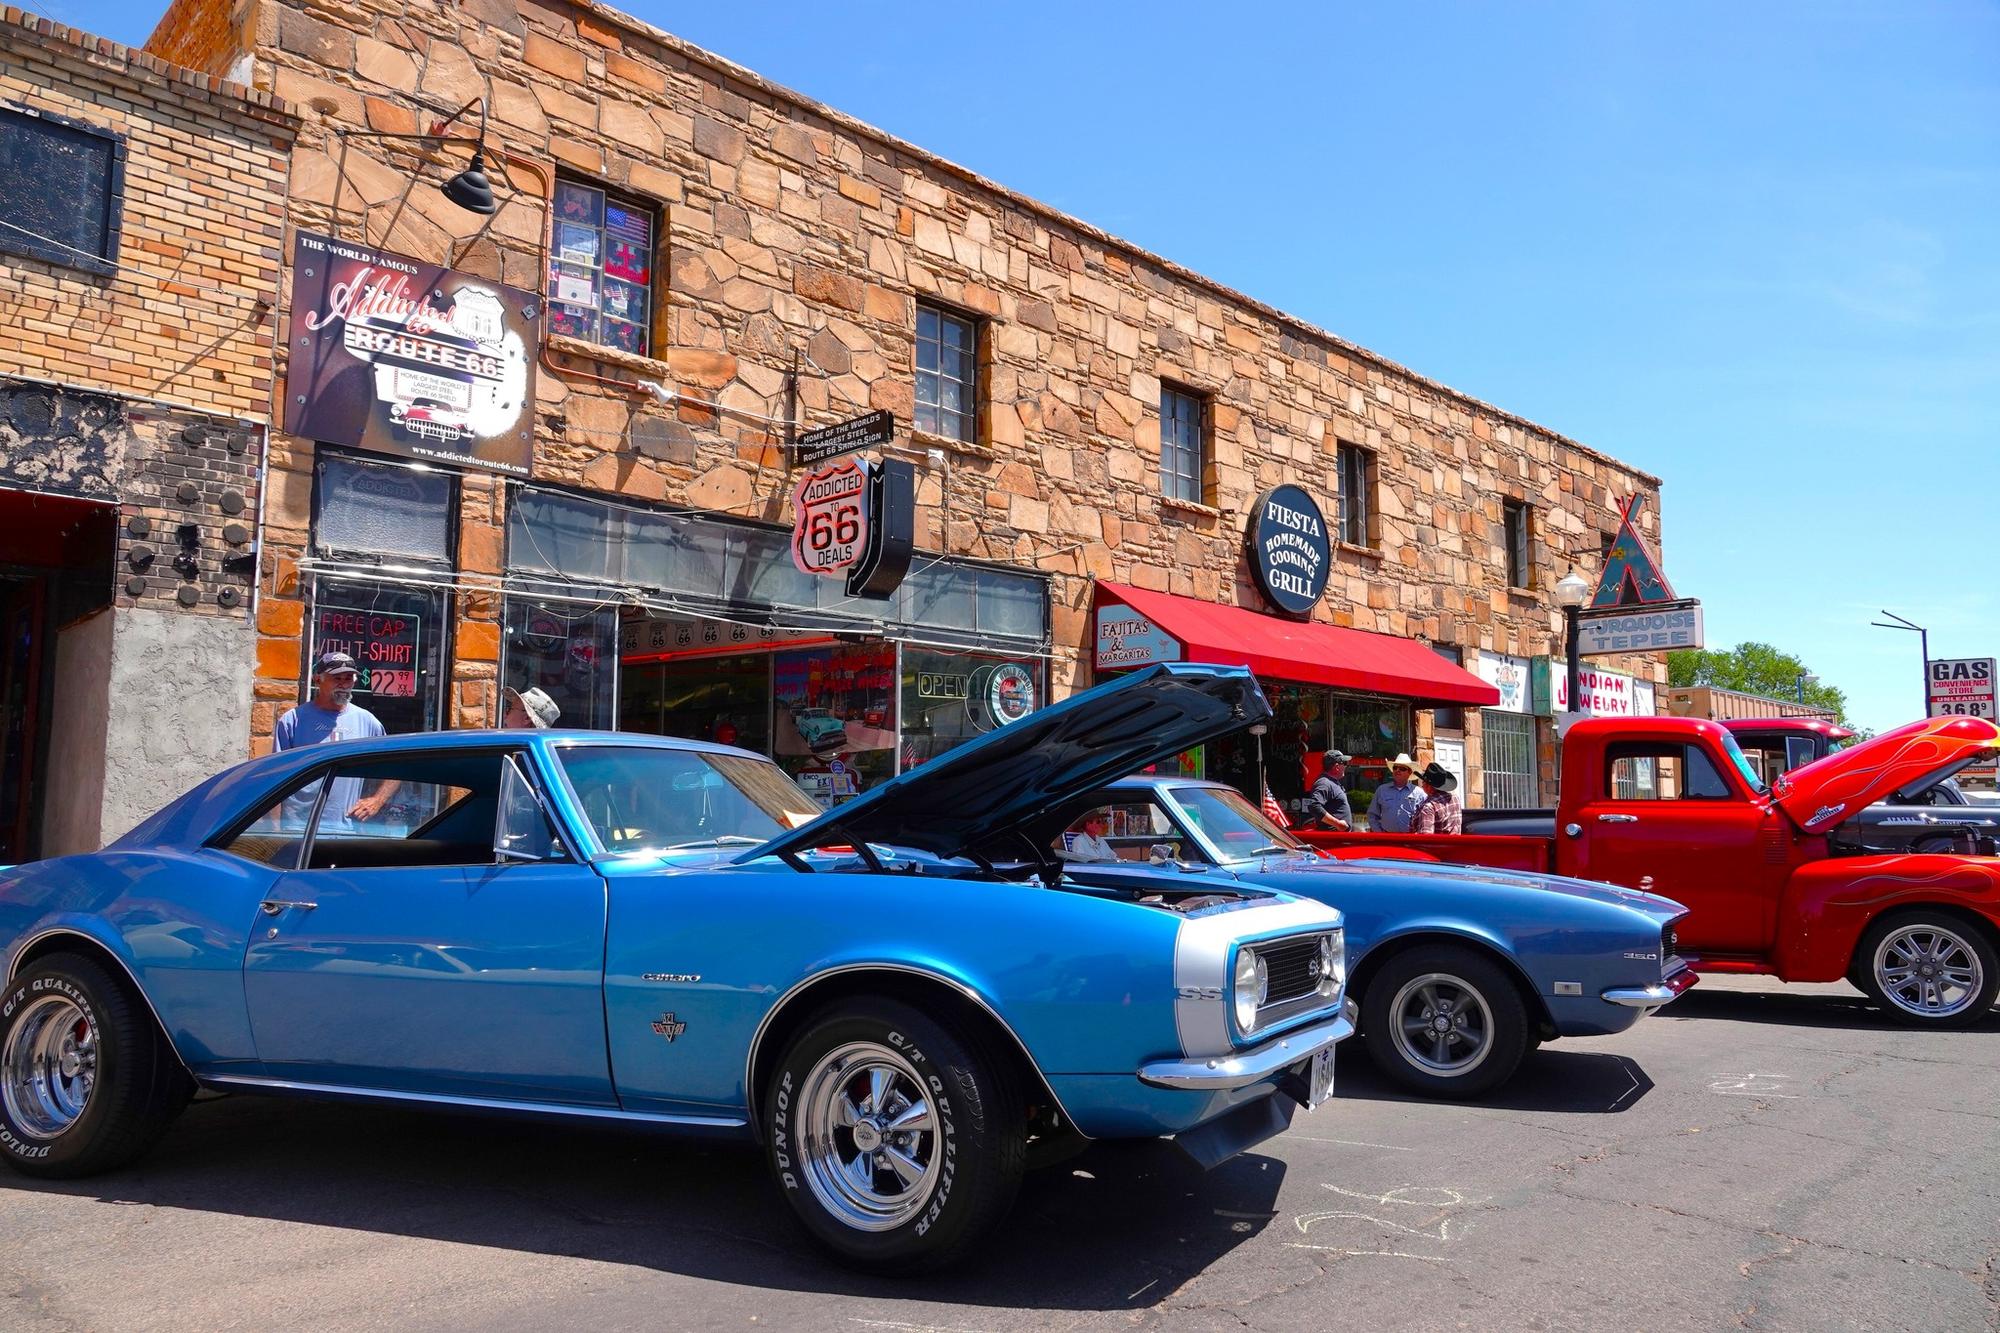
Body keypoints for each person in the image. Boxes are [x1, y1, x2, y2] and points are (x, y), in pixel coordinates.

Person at [273, 650, 391, 826]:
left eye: (348, 678)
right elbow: (276, 776)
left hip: (346, 831)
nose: (343, 685)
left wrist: (377, 800)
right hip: (297, 829)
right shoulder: (293, 720)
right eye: (337, 678)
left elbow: (392, 767)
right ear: (317, 680)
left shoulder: (367, 721)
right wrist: (272, 831)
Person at [1367, 753, 1425, 833]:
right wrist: (1379, 833)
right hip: (1387, 839)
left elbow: (1425, 818)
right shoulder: (1382, 790)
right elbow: (1372, 815)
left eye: (1402, 768)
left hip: (1410, 839)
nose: (1398, 770)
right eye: (1395, 768)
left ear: (1410, 772)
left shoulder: (1419, 793)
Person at [1301, 749, 1353, 831]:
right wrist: (1337, 824)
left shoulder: (1332, 782)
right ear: (1337, 767)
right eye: (1345, 763)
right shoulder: (1324, 783)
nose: (1346, 766)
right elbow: (1314, 806)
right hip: (1332, 839)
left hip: (1339, 838)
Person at [1412, 761, 1464, 835]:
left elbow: (1426, 837)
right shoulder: (1455, 799)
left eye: (1423, 782)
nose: (1422, 785)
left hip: (1437, 846)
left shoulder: (1429, 807)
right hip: (1455, 845)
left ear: (1429, 786)